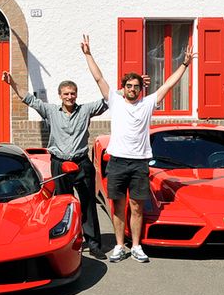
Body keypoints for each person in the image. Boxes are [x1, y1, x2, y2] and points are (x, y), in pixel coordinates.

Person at [82, 34, 193, 264]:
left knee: (137, 207)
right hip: (118, 162)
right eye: (129, 86)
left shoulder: (148, 103)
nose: (133, 89)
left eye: (136, 86)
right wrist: (88, 55)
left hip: (140, 162)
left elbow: (168, 84)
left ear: (141, 89)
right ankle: (119, 246)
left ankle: (136, 246)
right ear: (123, 88)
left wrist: (184, 64)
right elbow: (99, 78)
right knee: (118, 206)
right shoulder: (115, 101)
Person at [2, 70, 110, 255]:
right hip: (60, 164)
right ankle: (66, 242)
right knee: (62, 204)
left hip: (82, 163)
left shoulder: (85, 110)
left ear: (76, 94)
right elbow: (28, 99)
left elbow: (109, 100)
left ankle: (93, 245)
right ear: (60, 96)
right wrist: (12, 83)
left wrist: (129, 89)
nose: (69, 96)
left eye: (72, 93)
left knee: (88, 203)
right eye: (66, 93)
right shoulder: (50, 111)